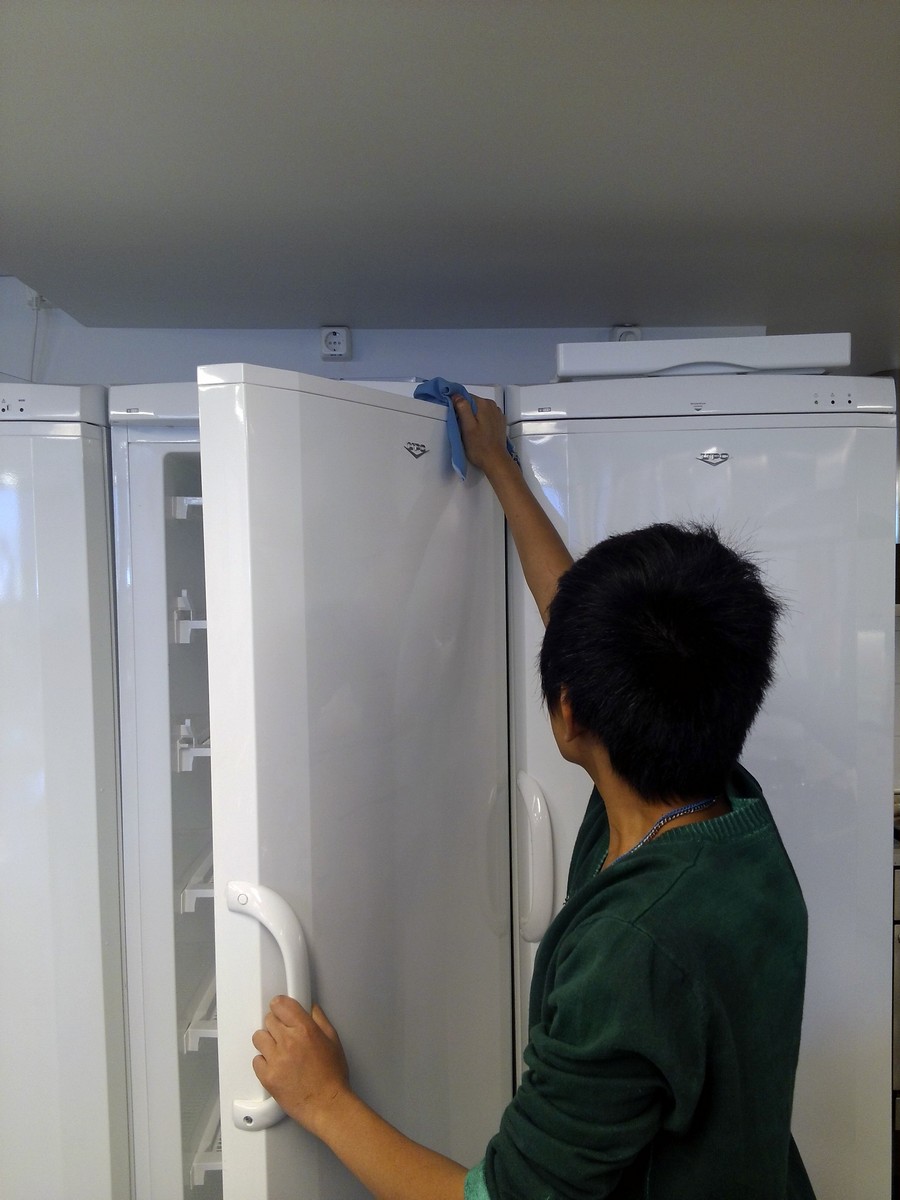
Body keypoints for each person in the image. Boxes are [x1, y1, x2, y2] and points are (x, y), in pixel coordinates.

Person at [251, 393, 815, 1199]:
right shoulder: (722, 802)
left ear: (570, 715)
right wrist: (501, 469)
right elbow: (576, 618)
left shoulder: (633, 953)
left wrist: (321, 1100)